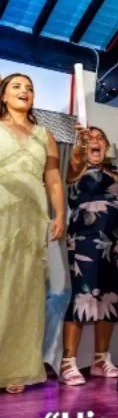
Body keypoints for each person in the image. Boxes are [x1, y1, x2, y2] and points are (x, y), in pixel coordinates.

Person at [0, 73, 65, 393]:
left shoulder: (44, 135)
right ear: (3, 95)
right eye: (16, 86)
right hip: (2, 211)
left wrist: (60, 213)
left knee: (24, 291)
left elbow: (53, 179)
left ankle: (15, 367)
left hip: (32, 218)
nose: (24, 91)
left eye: (29, 88)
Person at [60, 126, 118, 386]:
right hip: (84, 241)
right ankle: (68, 362)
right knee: (83, 295)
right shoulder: (77, 168)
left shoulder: (117, 173)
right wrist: (81, 142)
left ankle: (101, 359)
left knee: (109, 297)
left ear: (107, 146)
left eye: (100, 138)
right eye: (90, 139)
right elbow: (76, 162)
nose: (95, 142)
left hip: (114, 243)